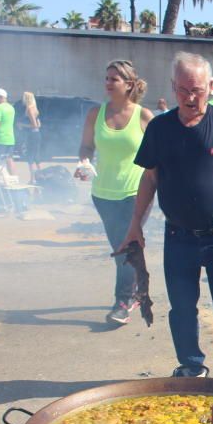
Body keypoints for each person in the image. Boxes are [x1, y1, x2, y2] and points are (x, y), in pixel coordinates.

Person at [121, 52, 213, 379]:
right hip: (178, 237)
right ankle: (191, 364)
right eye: (183, 90)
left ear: (210, 87)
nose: (191, 97)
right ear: (172, 87)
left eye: (197, 90)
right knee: (182, 308)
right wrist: (135, 224)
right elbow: (149, 177)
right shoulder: (160, 127)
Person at [79, 59, 155, 326]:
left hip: (135, 192)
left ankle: (122, 301)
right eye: (107, 78)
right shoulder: (95, 114)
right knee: (121, 247)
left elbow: (159, 153)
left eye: (115, 79)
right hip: (102, 193)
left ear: (129, 84)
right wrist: (84, 162)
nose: (108, 83)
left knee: (124, 248)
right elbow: (86, 147)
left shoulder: (143, 116)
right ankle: (136, 289)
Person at [20, 91, 42, 184]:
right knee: (36, 157)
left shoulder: (29, 109)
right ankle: (41, 176)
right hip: (37, 134)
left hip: (32, 135)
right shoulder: (35, 109)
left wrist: (22, 125)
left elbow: (34, 125)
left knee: (30, 158)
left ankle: (33, 179)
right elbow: (39, 124)